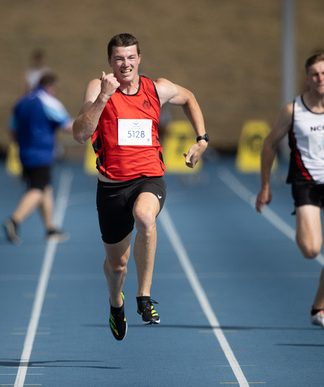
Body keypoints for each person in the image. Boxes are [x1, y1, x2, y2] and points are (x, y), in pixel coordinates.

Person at [72, 33, 208, 341]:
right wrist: (104, 97)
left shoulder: (156, 89)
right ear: (110, 62)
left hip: (148, 179)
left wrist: (202, 140)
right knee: (116, 266)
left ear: (139, 59)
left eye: (131, 57)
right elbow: (80, 134)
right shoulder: (98, 88)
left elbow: (189, 98)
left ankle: (144, 297)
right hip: (111, 188)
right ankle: (115, 303)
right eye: (119, 58)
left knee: (146, 217)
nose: (125, 64)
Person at [255, 52, 324, 330]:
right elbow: (268, 144)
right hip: (306, 183)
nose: (320, 78)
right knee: (311, 250)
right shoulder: (294, 111)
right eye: (315, 74)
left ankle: (318, 309)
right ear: (307, 79)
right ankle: (305, 223)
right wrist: (265, 186)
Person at [3, 72, 72, 245]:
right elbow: (67, 125)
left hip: (24, 151)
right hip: (41, 152)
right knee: (38, 189)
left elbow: (12, 128)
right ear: (51, 86)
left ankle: (50, 228)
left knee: (45, 188)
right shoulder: (48, 101)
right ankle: (14, 220)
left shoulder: (22, 101)